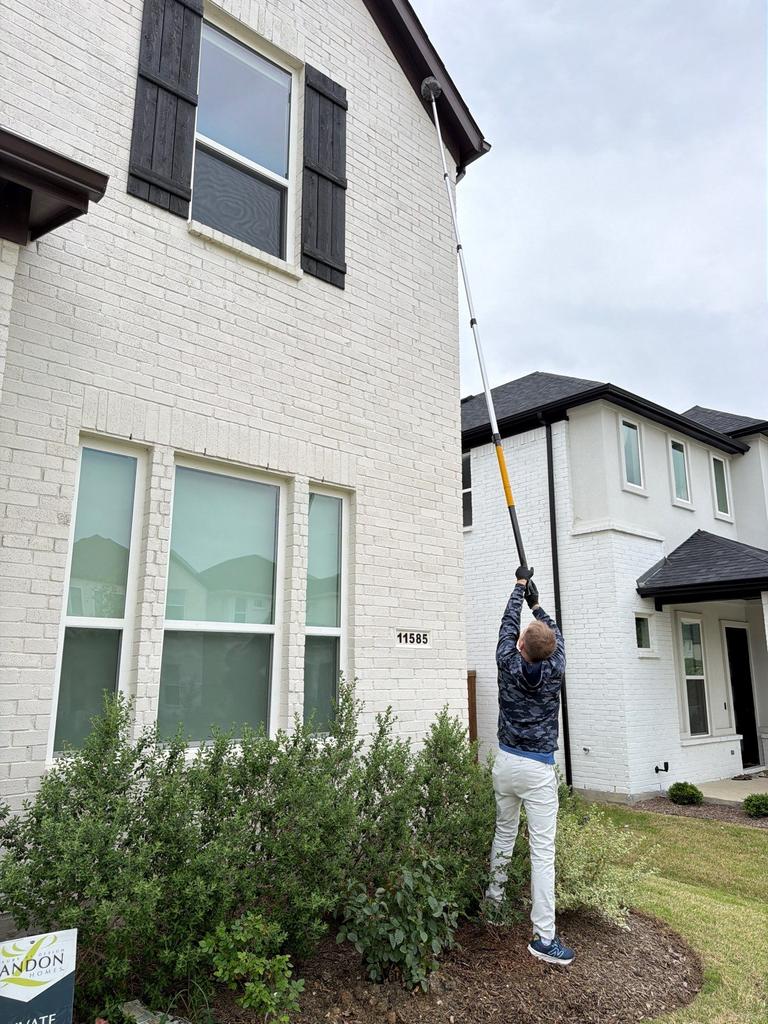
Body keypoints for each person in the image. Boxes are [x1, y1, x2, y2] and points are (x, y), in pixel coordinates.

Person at [485, 565, 575, 966]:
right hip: (538, 770)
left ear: (521, 645)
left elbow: (506, 625)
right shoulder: (556, 667)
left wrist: (519, 588)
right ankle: (543, 937)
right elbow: (557, 638)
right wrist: (539, 605)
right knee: (542, 852)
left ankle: (494, 902)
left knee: (505, 834)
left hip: (506, 763)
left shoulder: (507, 661)